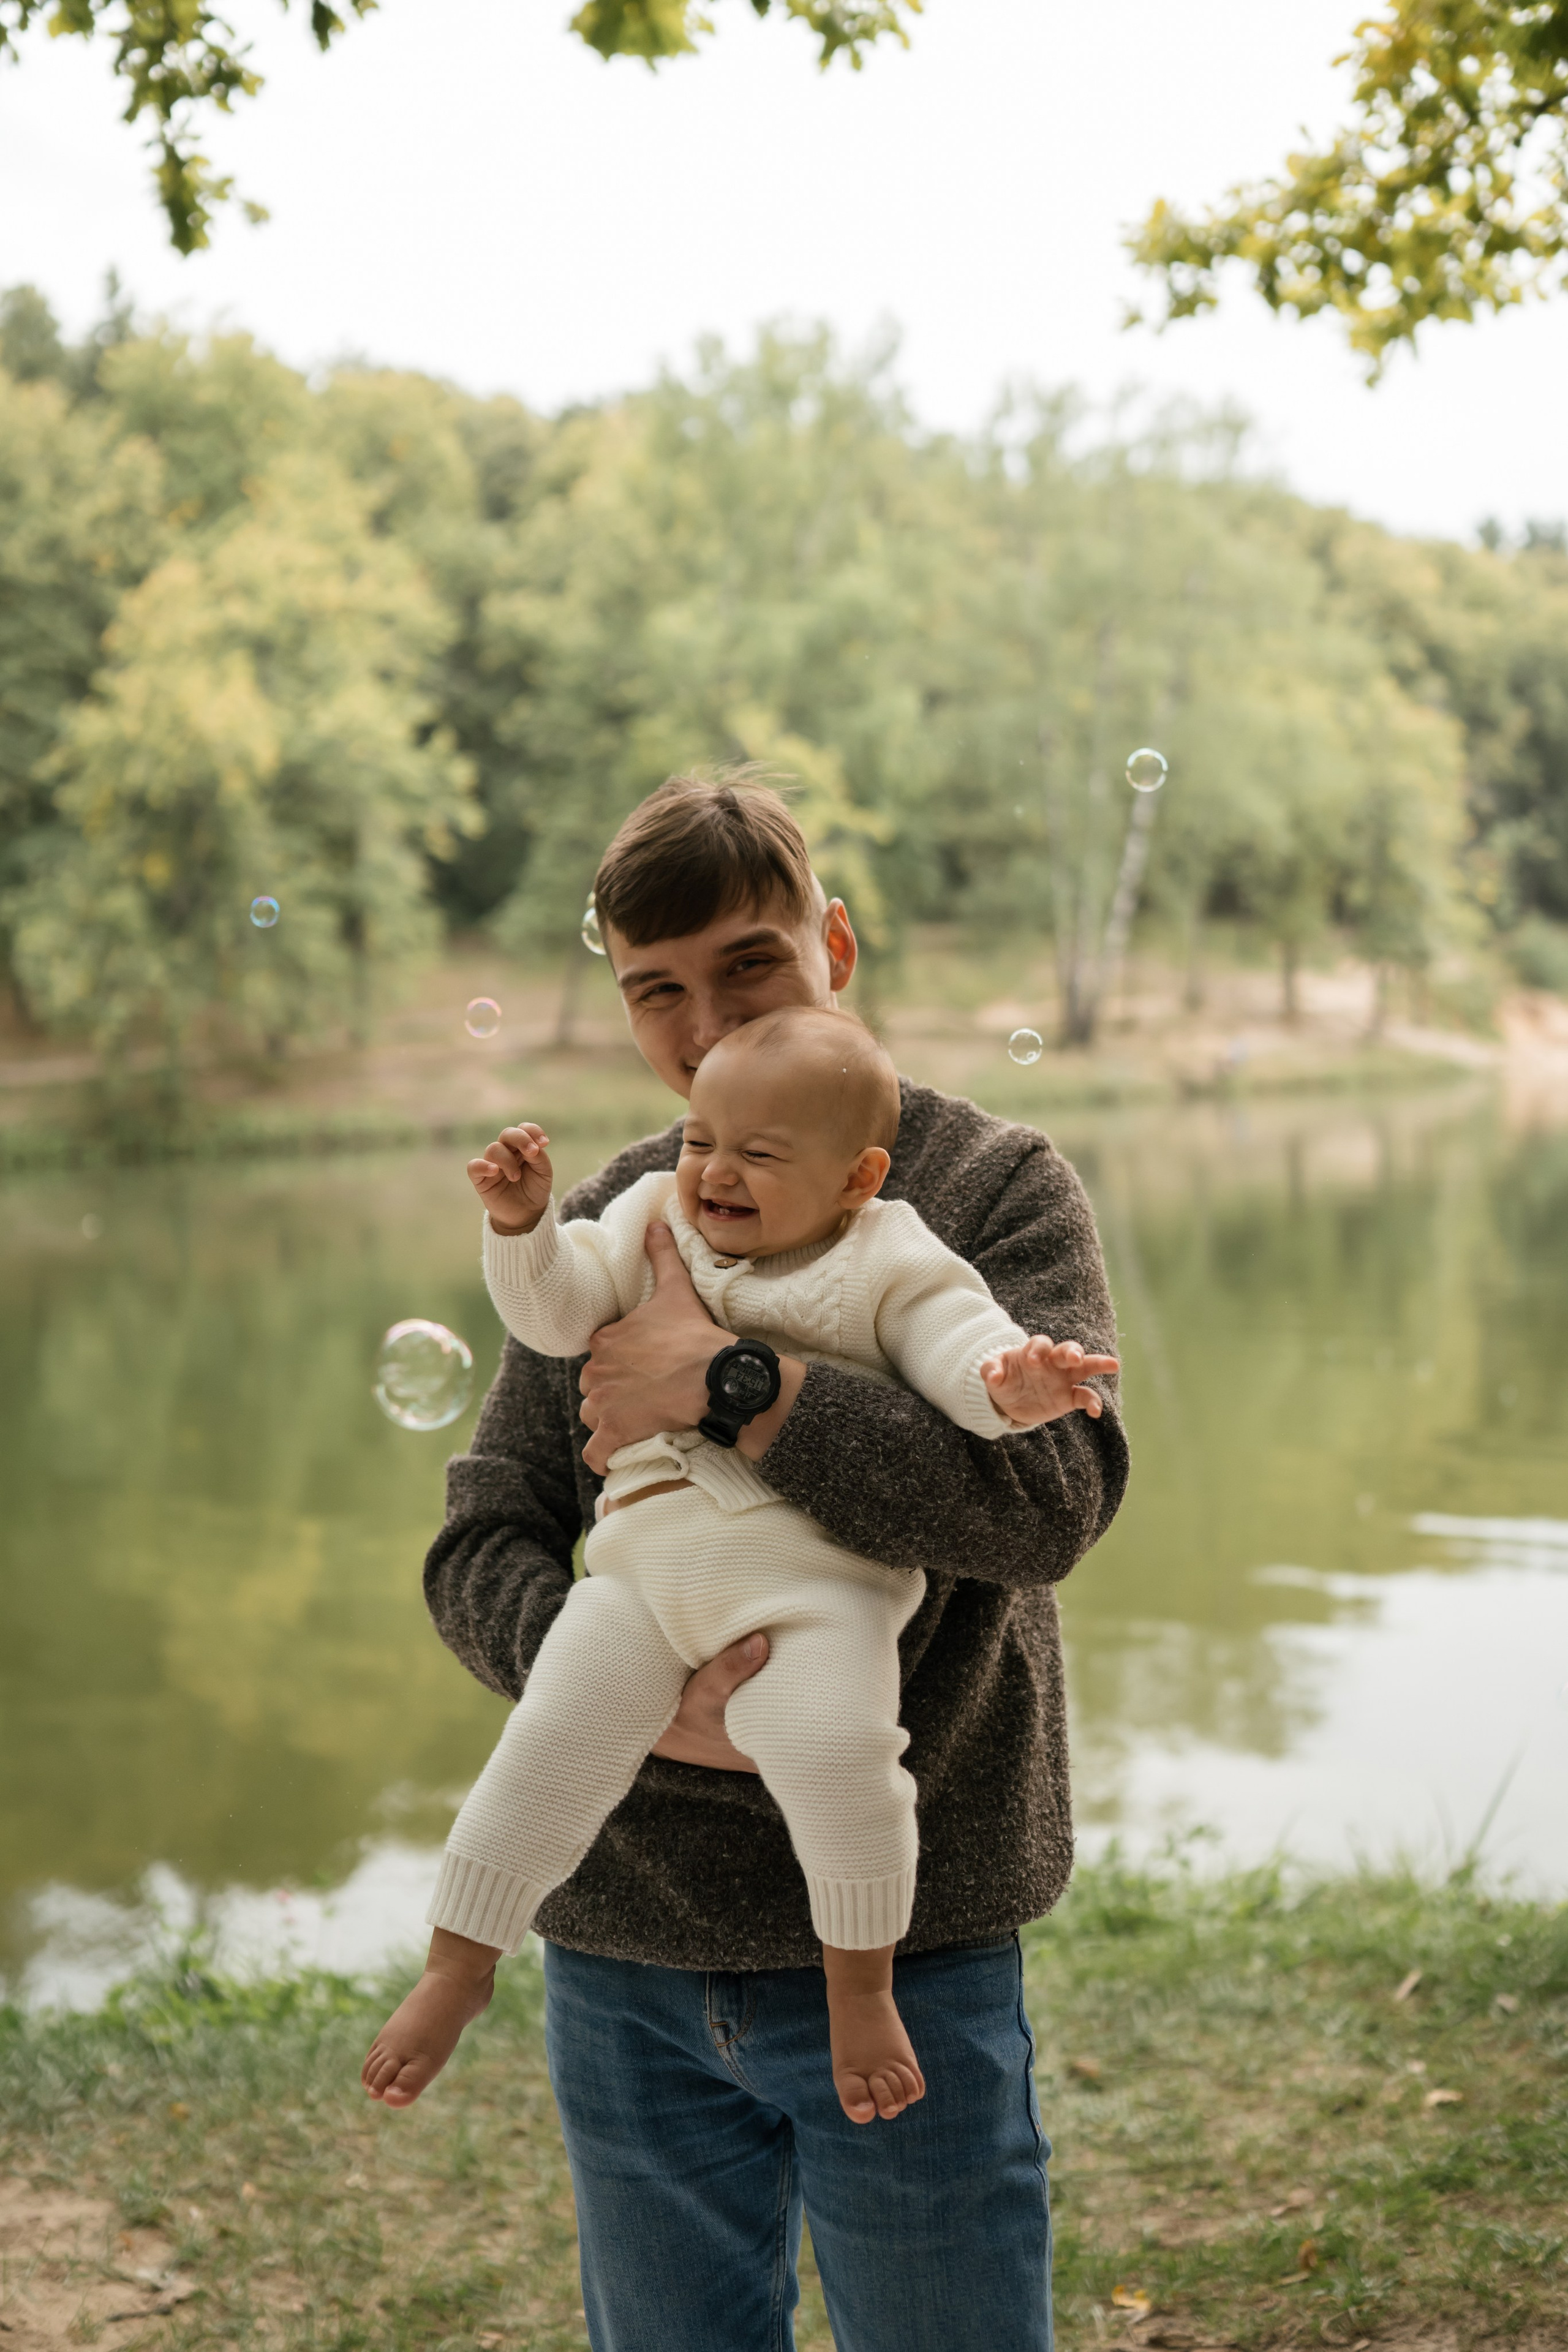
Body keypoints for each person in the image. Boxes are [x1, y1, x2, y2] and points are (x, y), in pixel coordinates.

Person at [405, 774, 1128, 2352]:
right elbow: (482, 1541)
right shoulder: (622, 1213)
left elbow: (1050, 1501)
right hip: (625, 1933)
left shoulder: (988, 1187)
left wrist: (734, 1390)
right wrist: (626, 1691)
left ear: (838, 945)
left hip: (903, 1935)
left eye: (748, 963)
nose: (698, 1018)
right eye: (653, 989)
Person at [361, 1006, 1118, 2127]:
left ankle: (859, 1987)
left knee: (844, 1754)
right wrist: (522, 1232)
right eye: (702, 1138)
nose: (715, 1170)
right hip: (642, 1578)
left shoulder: (894, 1254)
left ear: (859, 1177)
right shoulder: (647, 1212)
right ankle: (459, 1962)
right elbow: (559, 1312)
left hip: (817, 1592)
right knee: (551, 1738)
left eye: (760, 1155)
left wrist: (1017, 1385)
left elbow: (962, 1354)